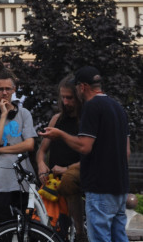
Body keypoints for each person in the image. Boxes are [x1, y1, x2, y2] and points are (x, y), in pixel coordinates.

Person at [41, 65, 130, 242]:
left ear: (83, 87)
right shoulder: (118, 108)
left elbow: (84, 146)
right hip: (120, 186)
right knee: (119, 237)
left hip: (100, 187)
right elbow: (126, 152)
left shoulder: (92, 106)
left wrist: (60, 134)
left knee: (100, 238)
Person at [0, 66, 37, 230]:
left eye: (7, 89)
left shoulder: (24, 114)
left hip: (23, 181)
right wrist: (4, 114)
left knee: (28, 230)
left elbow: (29, 144)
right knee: (1, 230)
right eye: (0, 89)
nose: (4, 93)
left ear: (14, 90)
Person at [36, 77, 84, 239]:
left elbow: (91, 156)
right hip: (53, 183)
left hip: (75, 182)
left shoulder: (84, 121)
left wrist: (66, 169)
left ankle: (80, 233)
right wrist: (41, 164)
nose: (65, 102)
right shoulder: (56, 119)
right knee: (49, 229)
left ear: (78, 97)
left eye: (69, 98)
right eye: (62, 97)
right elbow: (41, 151)